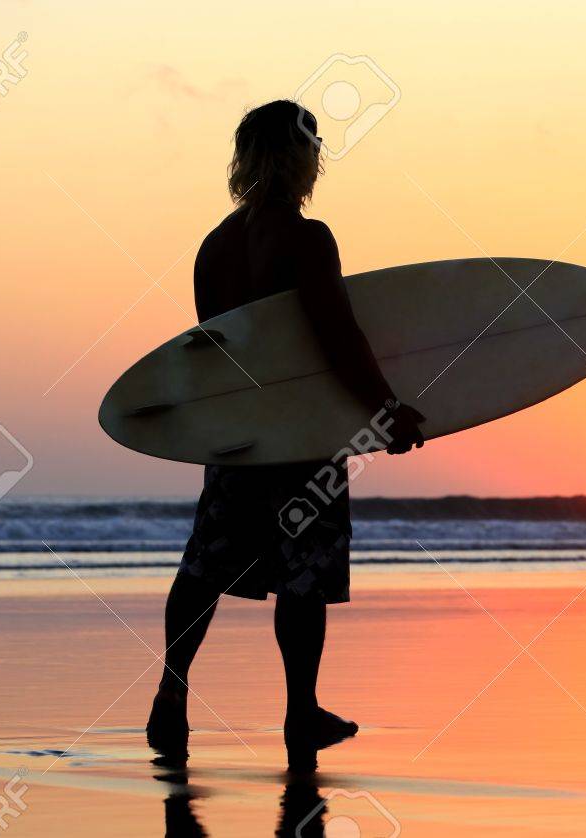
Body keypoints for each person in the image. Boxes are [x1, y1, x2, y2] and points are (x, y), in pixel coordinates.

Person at [146, 100, 425, 771]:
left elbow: (215, 353)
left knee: (205, 564)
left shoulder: (214, 246)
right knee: (302, 575)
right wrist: (385, 409)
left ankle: (170, 690)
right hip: (301, 436)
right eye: (312, 145)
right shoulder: (307, 238)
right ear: (294, 156)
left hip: (239, 435)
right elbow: (336, 337)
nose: (317, 156)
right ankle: (301, 712)